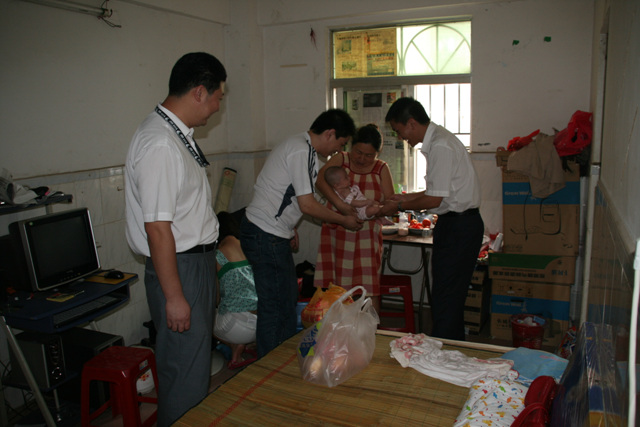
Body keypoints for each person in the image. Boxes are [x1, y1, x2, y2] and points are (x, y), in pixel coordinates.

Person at [124, 52, 226, 426]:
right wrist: (175, 297)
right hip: (180, 269)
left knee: (193, 368)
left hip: (192, 264)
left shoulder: (174, 136)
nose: (217, 107)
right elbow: (157, 228)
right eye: (217, 97)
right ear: (199, 92)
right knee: (185, 372)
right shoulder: (161, 144)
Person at [240, 109, 362, 358]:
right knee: (276, 308)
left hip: (272, 232)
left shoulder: (307, 151)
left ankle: (278, 361)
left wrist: (291, 226)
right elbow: (307, 204)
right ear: (329, 134)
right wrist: (343, 220)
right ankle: (270, 367)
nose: (337, 151)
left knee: (285, 302)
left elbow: (301, 189)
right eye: (340, 144)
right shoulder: (300, 150)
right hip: (265, 234)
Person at [380, 97, 484, 341]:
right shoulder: (439, 141)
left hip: (460, 226)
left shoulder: (440, 146)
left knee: (446, 297)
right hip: (455, 224)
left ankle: (442, 350)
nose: (400, 137)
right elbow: (436, 192)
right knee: (448, 296)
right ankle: (451, 348)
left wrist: (399, 205)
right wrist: (404, 197)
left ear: (411, 123)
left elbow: (434, 199)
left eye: (399, 131)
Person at [314, 123, 395, 313]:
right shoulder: (341, 159)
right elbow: (319, 180)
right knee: (335, 289)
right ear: (351, 146)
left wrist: (372, 211)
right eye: (358, 152)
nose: (362, 159)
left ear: (377, 153)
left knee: (369, 288)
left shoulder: (381, 168)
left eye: (369, 155)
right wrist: (342, 207)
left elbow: (390, 202)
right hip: (337, 233)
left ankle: (369, 327)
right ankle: (336, 327)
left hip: (367, 237)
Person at [213, 211, 258, 369]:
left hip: (237, 326)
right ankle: (243, 347)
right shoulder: (249, 246)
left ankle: (234, 347)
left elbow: (216, 299)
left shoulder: (218, 254)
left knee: (202, 319)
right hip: (262, 322)